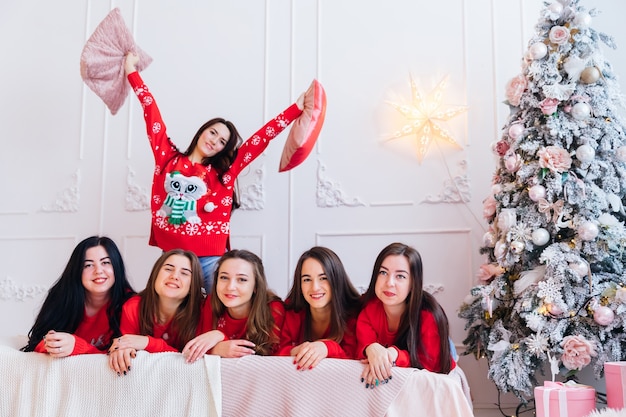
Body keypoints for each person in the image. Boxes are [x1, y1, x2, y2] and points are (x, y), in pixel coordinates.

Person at [124, 53, 305, 293]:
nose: (214, 141)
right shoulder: (167, 158)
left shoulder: (224, 174)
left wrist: (296, 109)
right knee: (172, 319)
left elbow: (260, 139)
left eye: (222, 141)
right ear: (202, 131)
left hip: (210, 260)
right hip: (173, 258)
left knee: (222, 314)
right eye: (213, 133)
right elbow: (151, 111)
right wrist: (131, 73)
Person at [356, 242, 455, 389]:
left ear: (413, 283)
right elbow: (360, 354)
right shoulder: (368, 309)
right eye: (383, 273)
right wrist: (371, 348)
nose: (389, 283)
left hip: (437, 367)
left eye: (400, 276)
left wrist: (394, 355)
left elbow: (432, 368)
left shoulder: (428, 315)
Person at [21, 236, 135, 356]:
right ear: (77, 270)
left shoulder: (132, 304)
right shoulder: (61, 297)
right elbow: (36, 344)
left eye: (105, 262)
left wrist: (77, 346)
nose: (98, 271)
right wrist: (52, 345)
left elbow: (125, 355)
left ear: (117, 267)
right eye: (88, 265)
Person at [108, 249, 204, 375]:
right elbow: (127, 348)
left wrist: (147, 343)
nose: (174, 276)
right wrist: (121, 351)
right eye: (168, 269)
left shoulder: (201, 311)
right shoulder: (133, 307)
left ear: (193, 286)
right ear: (155, 275)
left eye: (185, 273)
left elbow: (192, 360)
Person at [181, 249, 284, 363]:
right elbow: (192, 352)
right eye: (224, 278)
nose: (230, 287)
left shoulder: (274, 309)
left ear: (256, 286)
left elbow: (274, 360)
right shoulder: (209, 304)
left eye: (242, 279)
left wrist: (219, 339)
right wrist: (216, 348)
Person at [277, 246, 363, 370]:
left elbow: (356, 362)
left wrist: (327, 347)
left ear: (336, 279)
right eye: (307, 279)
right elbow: (274, 355)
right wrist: (297, 351)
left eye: (323, 278)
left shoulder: (355, 314)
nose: (315, 287)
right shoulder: (293, 311)